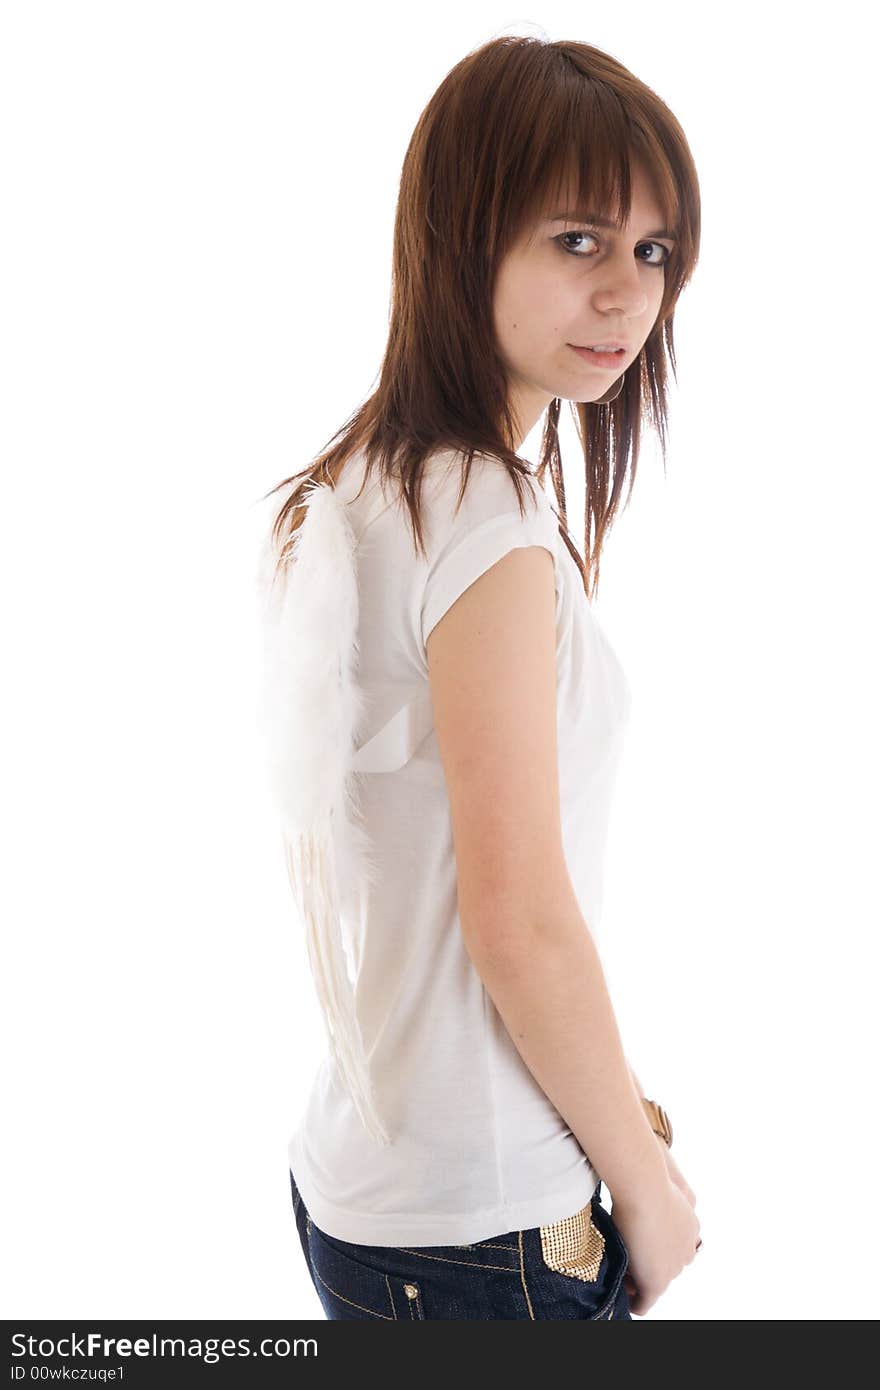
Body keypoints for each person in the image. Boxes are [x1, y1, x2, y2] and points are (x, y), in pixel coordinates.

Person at [259, 33, 703, 1320]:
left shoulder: (350, 489)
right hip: (486, 1233)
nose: (627, 293)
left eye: (653, 251)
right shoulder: (487, 527)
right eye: (578, 241)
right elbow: (519, 923)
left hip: (358, 1183)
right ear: (466, 238)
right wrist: (651, 1191)